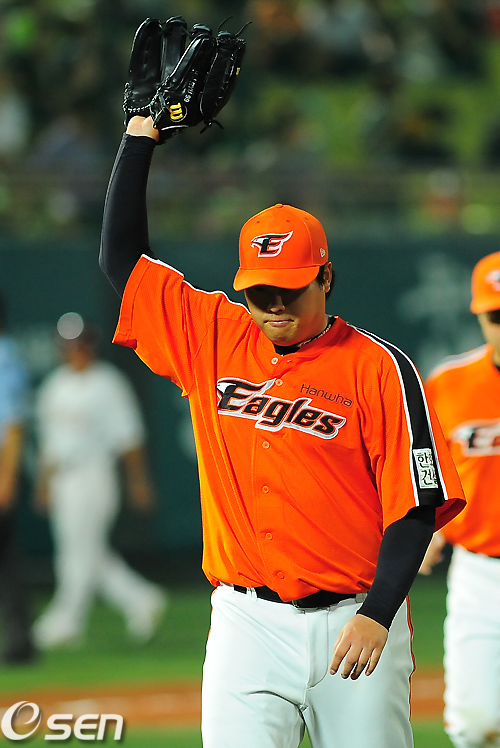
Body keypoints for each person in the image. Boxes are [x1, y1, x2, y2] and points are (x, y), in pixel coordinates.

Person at [99, 114, 466, 748]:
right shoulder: (213, 335)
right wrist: (139, 136)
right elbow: (122, 262)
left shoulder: (378, 367)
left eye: (290, 290)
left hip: (353, 620)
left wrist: (379, 613)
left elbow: (415, 506)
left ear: (326, 278)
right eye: (260, 290)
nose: (273, 305)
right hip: (245, 622)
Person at [33, 312, 167, 650]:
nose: (74, 350)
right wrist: (44, 483)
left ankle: (68, 619)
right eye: (68, 344)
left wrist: (138, 481)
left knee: (79, 552)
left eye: (80, 343)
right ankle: (142, 599)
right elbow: (50, 444)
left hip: (94, 474)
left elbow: (129, 438)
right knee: (85, 551)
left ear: (90, 344)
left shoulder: (107, 383)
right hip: (63, 478)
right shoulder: (54, 386)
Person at [420, 250, 500, 748]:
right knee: (476, 726)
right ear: (480, 316)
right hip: (480, 573)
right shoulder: (448, 384)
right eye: (497, 316)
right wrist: (427, 522)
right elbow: (426, 466)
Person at [0, 291, 37, 664]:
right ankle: (21, 642)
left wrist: (6, 478)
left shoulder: (5, 356)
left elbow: (12, 424)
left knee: (7, 562)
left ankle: (21, 642)